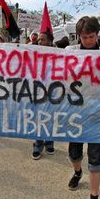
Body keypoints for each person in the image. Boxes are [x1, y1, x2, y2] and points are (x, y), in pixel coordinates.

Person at [64, 16, 100, 199]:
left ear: (97, 35)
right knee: (74, 153)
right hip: (75, 112)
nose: (87, 40)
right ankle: (77, 172)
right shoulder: (70, 53)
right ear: (79, 36)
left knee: (96, 159)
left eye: (91, 37)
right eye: (84, 37)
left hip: (97, 115)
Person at [31, 31, 55, 160]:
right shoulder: (32, 54)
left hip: (53, 92)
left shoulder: (59, 55)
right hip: (37, 91)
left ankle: (49, 142)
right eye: (39, 40)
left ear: (50, 42)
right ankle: (38, 144)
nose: (40, 42)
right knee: (37, 118)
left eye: (43, 40)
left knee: (50, 117)